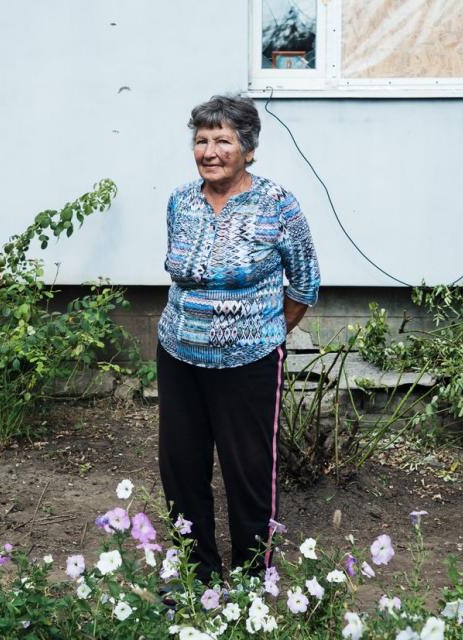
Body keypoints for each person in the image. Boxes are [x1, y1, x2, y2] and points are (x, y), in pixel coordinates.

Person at [157, 95, 320, 583]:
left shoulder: (277, 204)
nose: (209, 151)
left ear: (247, 150)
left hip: (248, 363)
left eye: (222, 141)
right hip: (180, 355)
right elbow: (179, 274)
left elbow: (304, 283)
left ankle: (253, 580)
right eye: (202, 140)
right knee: (181, 472)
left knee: (248, 475)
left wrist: (263, 333)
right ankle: (198, 577)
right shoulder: (180, 202)